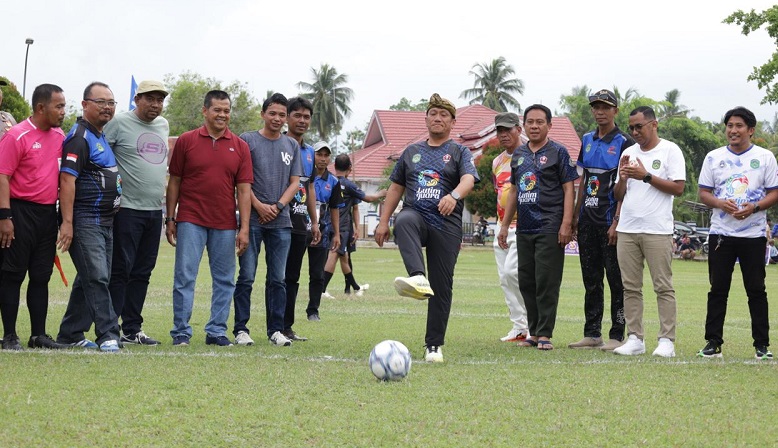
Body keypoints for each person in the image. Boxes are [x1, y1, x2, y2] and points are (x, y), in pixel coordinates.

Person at [375, 93, 478, 363]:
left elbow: (469, 179)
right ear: (426, 119)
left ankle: (433, 345)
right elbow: (395, 188)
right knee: (404, 219)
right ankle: (418, 276)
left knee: (442, 286)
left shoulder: (459, 151)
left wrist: (453, 196)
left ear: (452, 122)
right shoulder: (411, 152)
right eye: (433, 113)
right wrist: (383, 221)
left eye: (444, 115)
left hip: (446, 225)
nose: (437, 118)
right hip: (417, 216)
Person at [166, 90, 252, 347]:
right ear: (205, 111)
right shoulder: (186, 140)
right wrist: (170, 218)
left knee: (225, 280)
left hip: (225, 223)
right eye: (217, 110)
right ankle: (181, 331)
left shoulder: (240, 146)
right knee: (184, 277)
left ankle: (216, 331)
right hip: (190, 219)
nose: (222, 115)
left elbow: (244, 190)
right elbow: (174, 182)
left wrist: (244, 227)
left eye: (226, 110)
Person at [696, 107, 778, 360]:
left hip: (753, 235)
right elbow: (704, 192)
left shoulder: (765, 157)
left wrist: (755, 207)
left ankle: (761, 345)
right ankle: (713, 343)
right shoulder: (713, 157)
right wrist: (721, 204)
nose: (733, 130)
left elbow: (774, 193)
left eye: (739, 126)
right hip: (721, 234)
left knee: (756, 290)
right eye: (730, 125)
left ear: (750, 130)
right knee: (718, 289)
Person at [497, 104, 578, 351]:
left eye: (539, 122)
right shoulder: (519, 155)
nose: (534, 126)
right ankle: (533, 332)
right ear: (524, 125)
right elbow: (514, 191)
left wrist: (566, 224)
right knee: (526, 281)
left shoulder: (558, 152)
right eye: (530, 122)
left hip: (550, 225)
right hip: (524, 227)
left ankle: (544, 333)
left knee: (546, 281)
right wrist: (504, 225)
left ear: (549, 125)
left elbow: (569, 189)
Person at [613, 106, 685, 357]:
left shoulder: (670, 150)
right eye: (631, 128)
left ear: (654, 124)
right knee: (630, 287)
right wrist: (623, 178)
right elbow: (618, 194)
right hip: (627, 229)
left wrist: (645, 176)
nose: (634, 132)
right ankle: (635, 338)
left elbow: (678, 188)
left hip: (657, 230)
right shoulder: (628, 152)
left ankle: (667, 341)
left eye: (639, 127)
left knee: (663, 286)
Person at [56, 82, 123, 352]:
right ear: (85, 105)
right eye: (101, 102)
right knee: (96, 277)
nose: (107, 107)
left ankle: (70, 333)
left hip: (106, 221)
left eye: (111, 102)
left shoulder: (100, 135)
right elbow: (67, 180)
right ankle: (108, 333)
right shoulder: (79, 137)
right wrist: (67, 223)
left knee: (90, 276)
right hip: (86, 219)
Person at [232, 93, 302, 347]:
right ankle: (241, 329)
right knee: (246, 276)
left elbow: (295, 182)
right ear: (263, 114)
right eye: (272, 113)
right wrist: (259, 206)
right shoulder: (247, 140)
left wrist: (278, 206)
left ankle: (276, 330)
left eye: (282, 115)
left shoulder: (292, 145)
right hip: (252, 221)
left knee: (277, 279)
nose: (277, 118)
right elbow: (240, 182)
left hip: (281, 222)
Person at [0, 84, 66, 350]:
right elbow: (2, 176)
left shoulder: (60, 136)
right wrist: (5, 216)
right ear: (41, 107)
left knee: (41, 275)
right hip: (19, 211)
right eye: (58, 106)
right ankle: (9, 336)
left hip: (47, 214)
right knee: (13, 274)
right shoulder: (17, 135)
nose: (63, 111)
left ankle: (38, 335)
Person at [104, 80, 169, 346]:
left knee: (143, 272)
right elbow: (102, 157)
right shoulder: (119, 122)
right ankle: (110, 329)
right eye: (150, 99)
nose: (155, 105)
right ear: (136, 99)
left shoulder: (163, 125)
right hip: (127, 210)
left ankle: (132, 329)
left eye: (160, 100)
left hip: (154, 211)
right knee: (120, 271)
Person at [569, 90, 635, 351]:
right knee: (591, 279)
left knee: (617, 281)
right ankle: (592, 333)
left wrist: (617, 222)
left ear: (615, 111)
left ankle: (617, 335)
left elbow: (626, 186)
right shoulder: (586, 139)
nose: (600, 112)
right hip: (587, 221)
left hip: (610, 221)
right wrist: (575, 216)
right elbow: (583, 180)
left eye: (605, 107)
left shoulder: (625, 142)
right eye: (596, 107)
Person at [282, 97, 320, 342]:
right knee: (276, 277)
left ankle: (286, 327)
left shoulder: (310, 153)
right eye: (297, 115)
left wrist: (314, 222)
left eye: (306, 117)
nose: (302, 121)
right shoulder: (279, 144)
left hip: (299, 224)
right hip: (276, 221)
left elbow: (311, 188)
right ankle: (274, 326)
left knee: (292, 277)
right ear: (287, 117)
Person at [321, 154, 385, 297]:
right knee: (334, 254)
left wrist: (356, 228)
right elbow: (368, 198)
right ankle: (322, 290)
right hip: (341, 227)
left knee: (344, 257)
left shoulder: (330, 181)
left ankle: (355, 288)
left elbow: (354, 207)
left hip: (328, 223)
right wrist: (382, 193)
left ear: (334, 166)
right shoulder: (349, 185)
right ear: (350, 168)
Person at [491, 112, 529, 343]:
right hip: (501, 226)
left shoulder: (529, 155)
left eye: (508, 130)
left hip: (523, 225)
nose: (504, 134)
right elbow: (499, 192)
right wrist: (501, 225)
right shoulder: (497, 161)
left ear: (519, 129)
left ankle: (532, 322)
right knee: (504, 278)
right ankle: (519, 326)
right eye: (500, 131)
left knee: (513, 272)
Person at [305, 142, 342, 322]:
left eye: (326, 155)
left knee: (318, 274)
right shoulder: (303, 176)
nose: (323, 159)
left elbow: (335, 208)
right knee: (290, 273)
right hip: (300, 228)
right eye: (319, 154)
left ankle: (313, 310)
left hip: (322, 231)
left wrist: (337, 233)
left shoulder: (333, 181)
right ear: (312, 156)